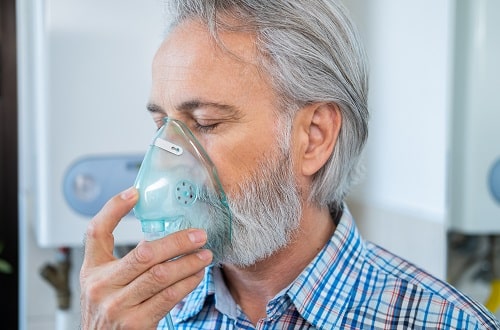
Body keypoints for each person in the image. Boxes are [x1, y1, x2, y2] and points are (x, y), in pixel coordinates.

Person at [79, 0, 500, 329]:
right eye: (162, 126)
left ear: (313, 136)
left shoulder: (444, 321)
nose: (167, 164)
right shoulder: (143, 316)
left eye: (205, 123)